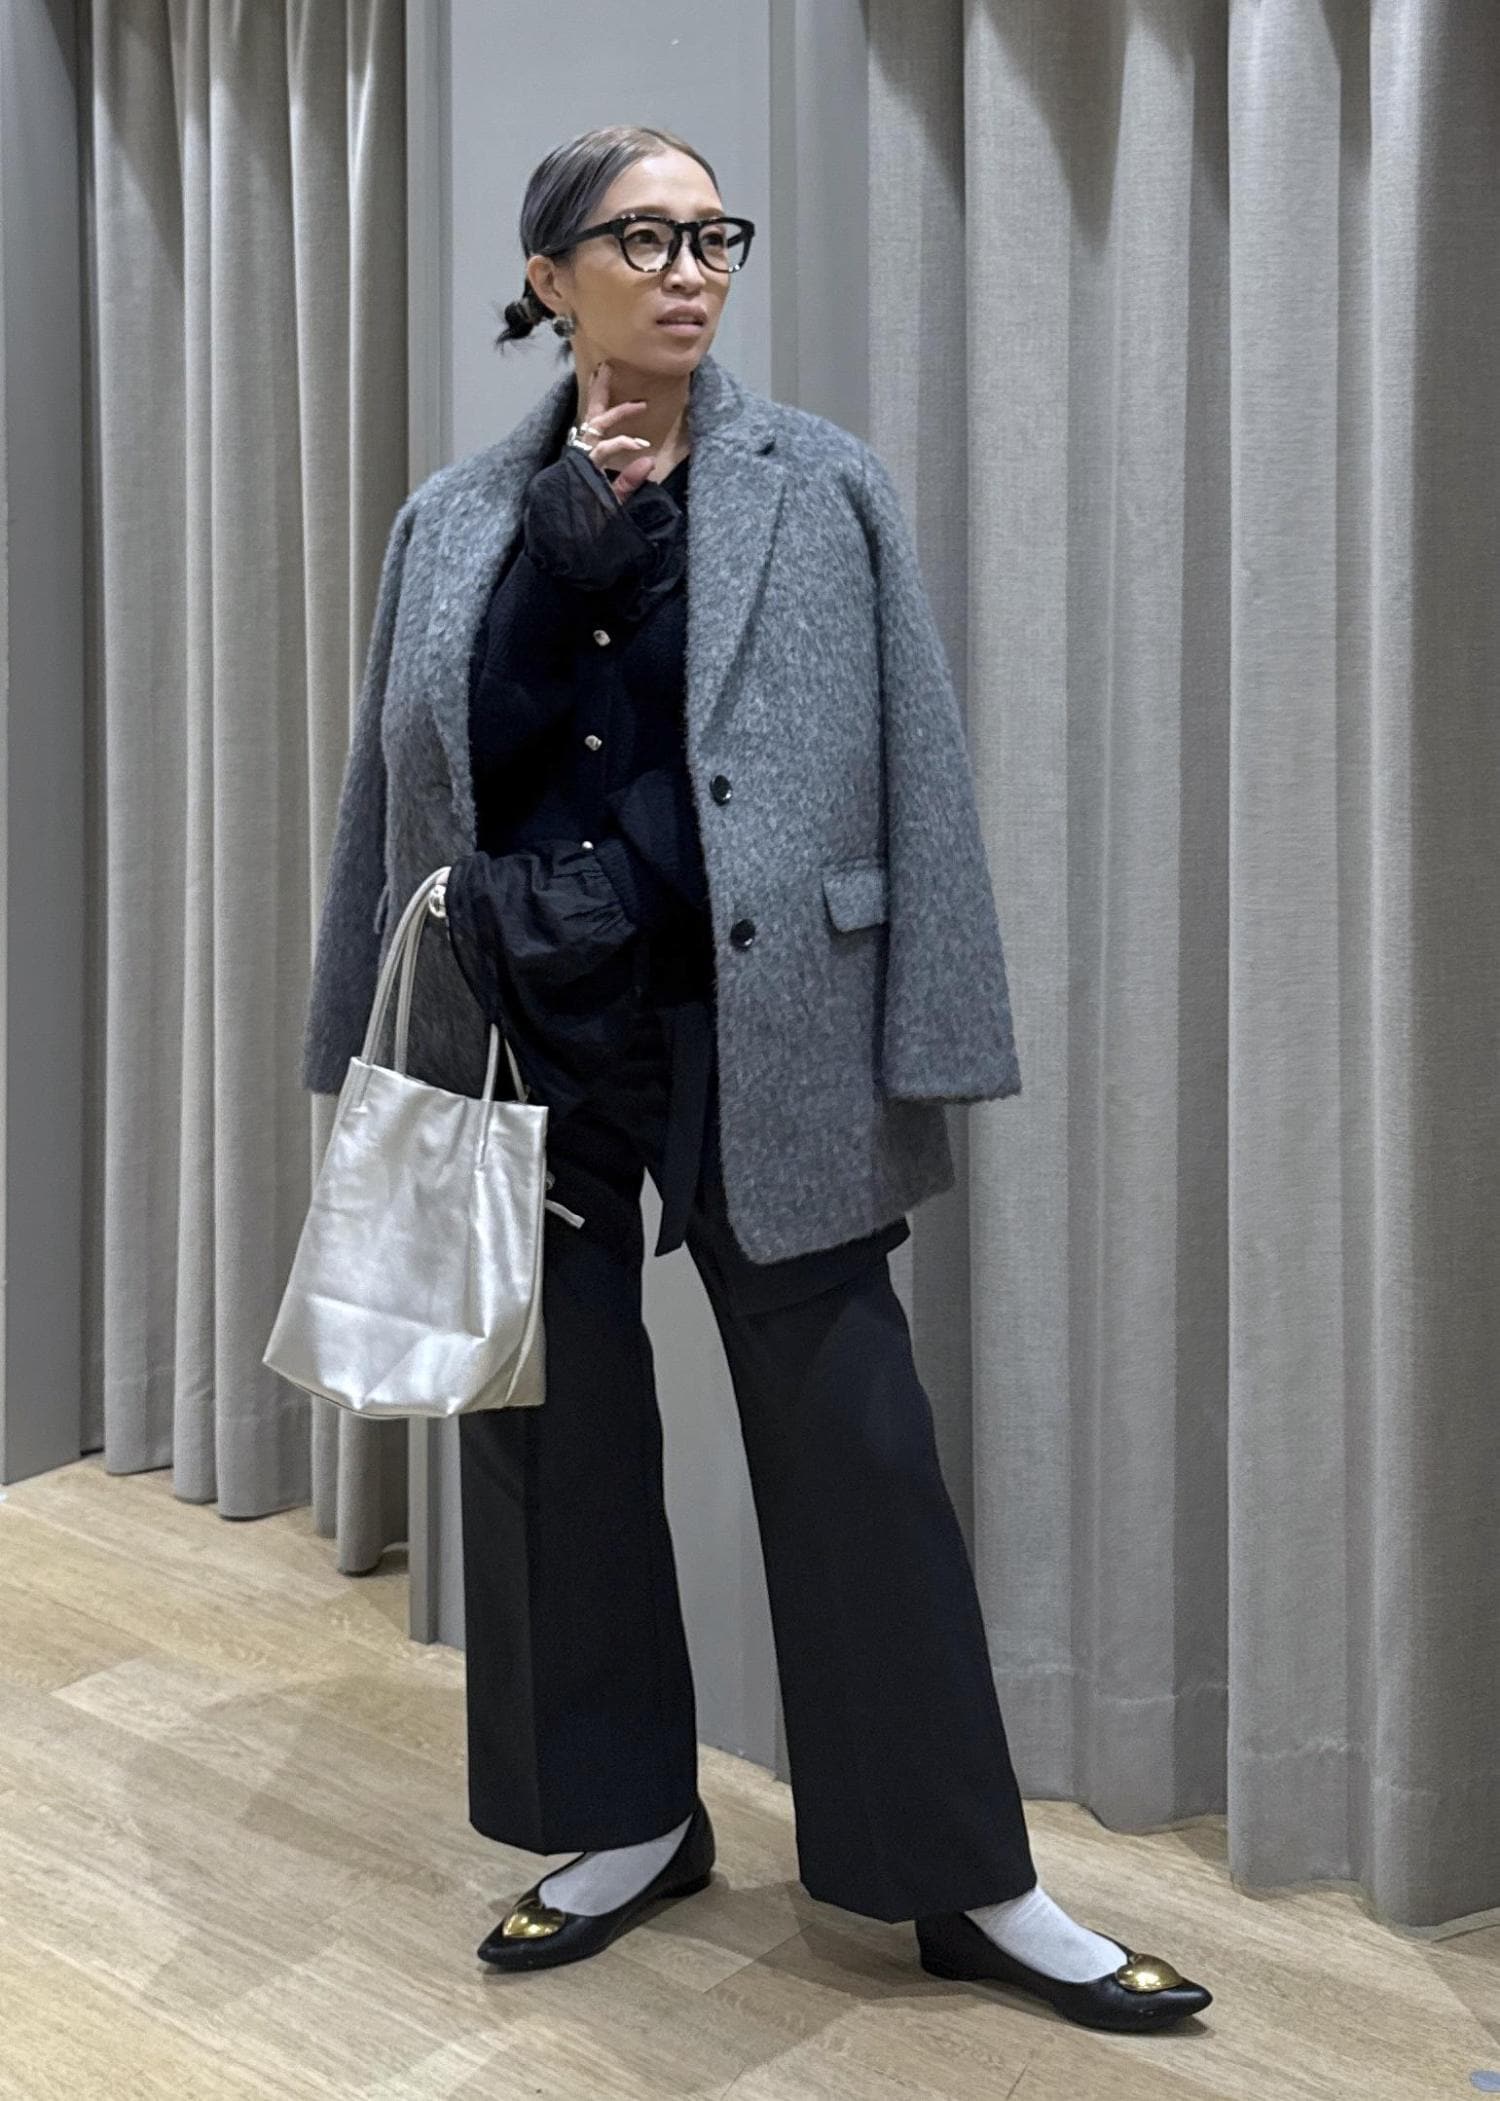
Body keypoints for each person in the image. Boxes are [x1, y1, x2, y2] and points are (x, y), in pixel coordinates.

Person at [302, 122, 1213, 2034]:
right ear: (551, 279)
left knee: (855, 1440)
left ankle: (963, 1877)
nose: (691, 269)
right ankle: (626, 1817)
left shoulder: (820, 486)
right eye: (643, 239)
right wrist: (356, 1033)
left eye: (713, 235)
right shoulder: (456, 520)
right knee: (548, 1439)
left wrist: (940, 1026)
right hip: (525, 1033)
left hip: (762, 1021)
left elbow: (917, 765)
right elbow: (403, 788)